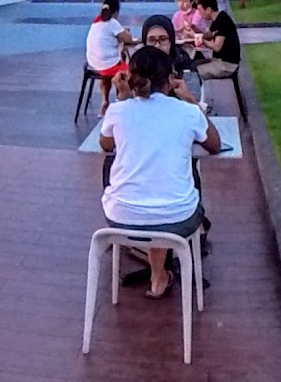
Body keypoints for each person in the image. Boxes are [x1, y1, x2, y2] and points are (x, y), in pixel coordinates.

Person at [94, 46, 221, 297]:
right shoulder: (186, 112)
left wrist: (122, 98)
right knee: (166, 198)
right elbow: (214, 145)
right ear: (170, 79)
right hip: (178, 218)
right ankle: (159, 275)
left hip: (120, 217)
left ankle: (158, 276)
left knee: (150, 193)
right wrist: (191, 100)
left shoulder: (118, 110)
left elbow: (106, 144)